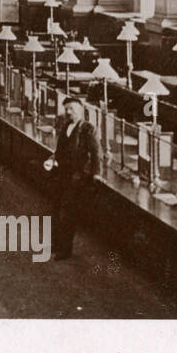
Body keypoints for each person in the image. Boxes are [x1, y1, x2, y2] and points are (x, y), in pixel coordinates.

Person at [46, 96, 100, 259]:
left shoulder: (88, 129)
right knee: (55, 209)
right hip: (61, 174)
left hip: (76, 177)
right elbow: (60, 150)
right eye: (66, 109)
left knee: (67, 213)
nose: (68, 112)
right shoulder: (66, 126)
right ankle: (56, 244)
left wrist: (96, 173)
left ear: (80, 111)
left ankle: (65, 249)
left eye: (71, 109)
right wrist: (52, 158)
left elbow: (96, 153)